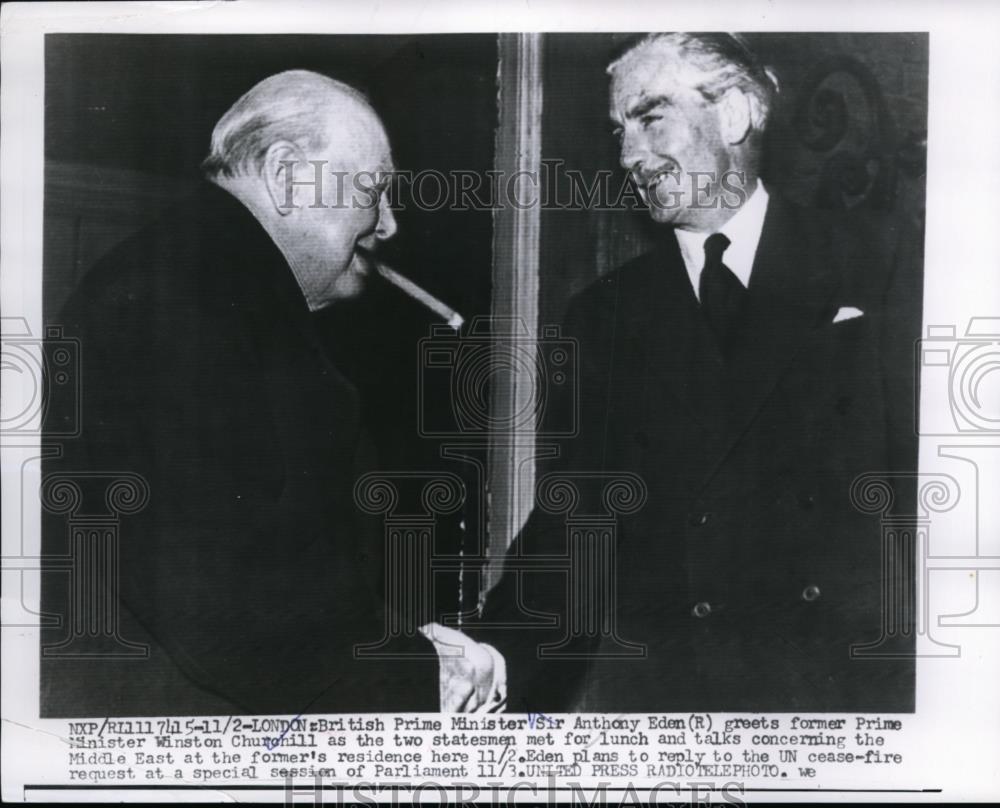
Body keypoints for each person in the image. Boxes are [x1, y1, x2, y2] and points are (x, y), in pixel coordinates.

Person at [477, 33, 921, 712]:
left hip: (841, 691)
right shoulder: (604, 315)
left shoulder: (881, 262)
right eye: (618, 130)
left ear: (737, 114)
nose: (628, 155)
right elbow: (574, 525)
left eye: (651, 118)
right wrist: (489, 657)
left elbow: (936, 491)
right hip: (674, 704)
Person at [41, 70, 498, 716]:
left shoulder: (201, 286)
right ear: (287, 176)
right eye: (374, 191)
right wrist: (424, 674)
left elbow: (278, 570)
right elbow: (230, 614)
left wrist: (406, 647)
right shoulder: (182, 302)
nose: (389, 224)